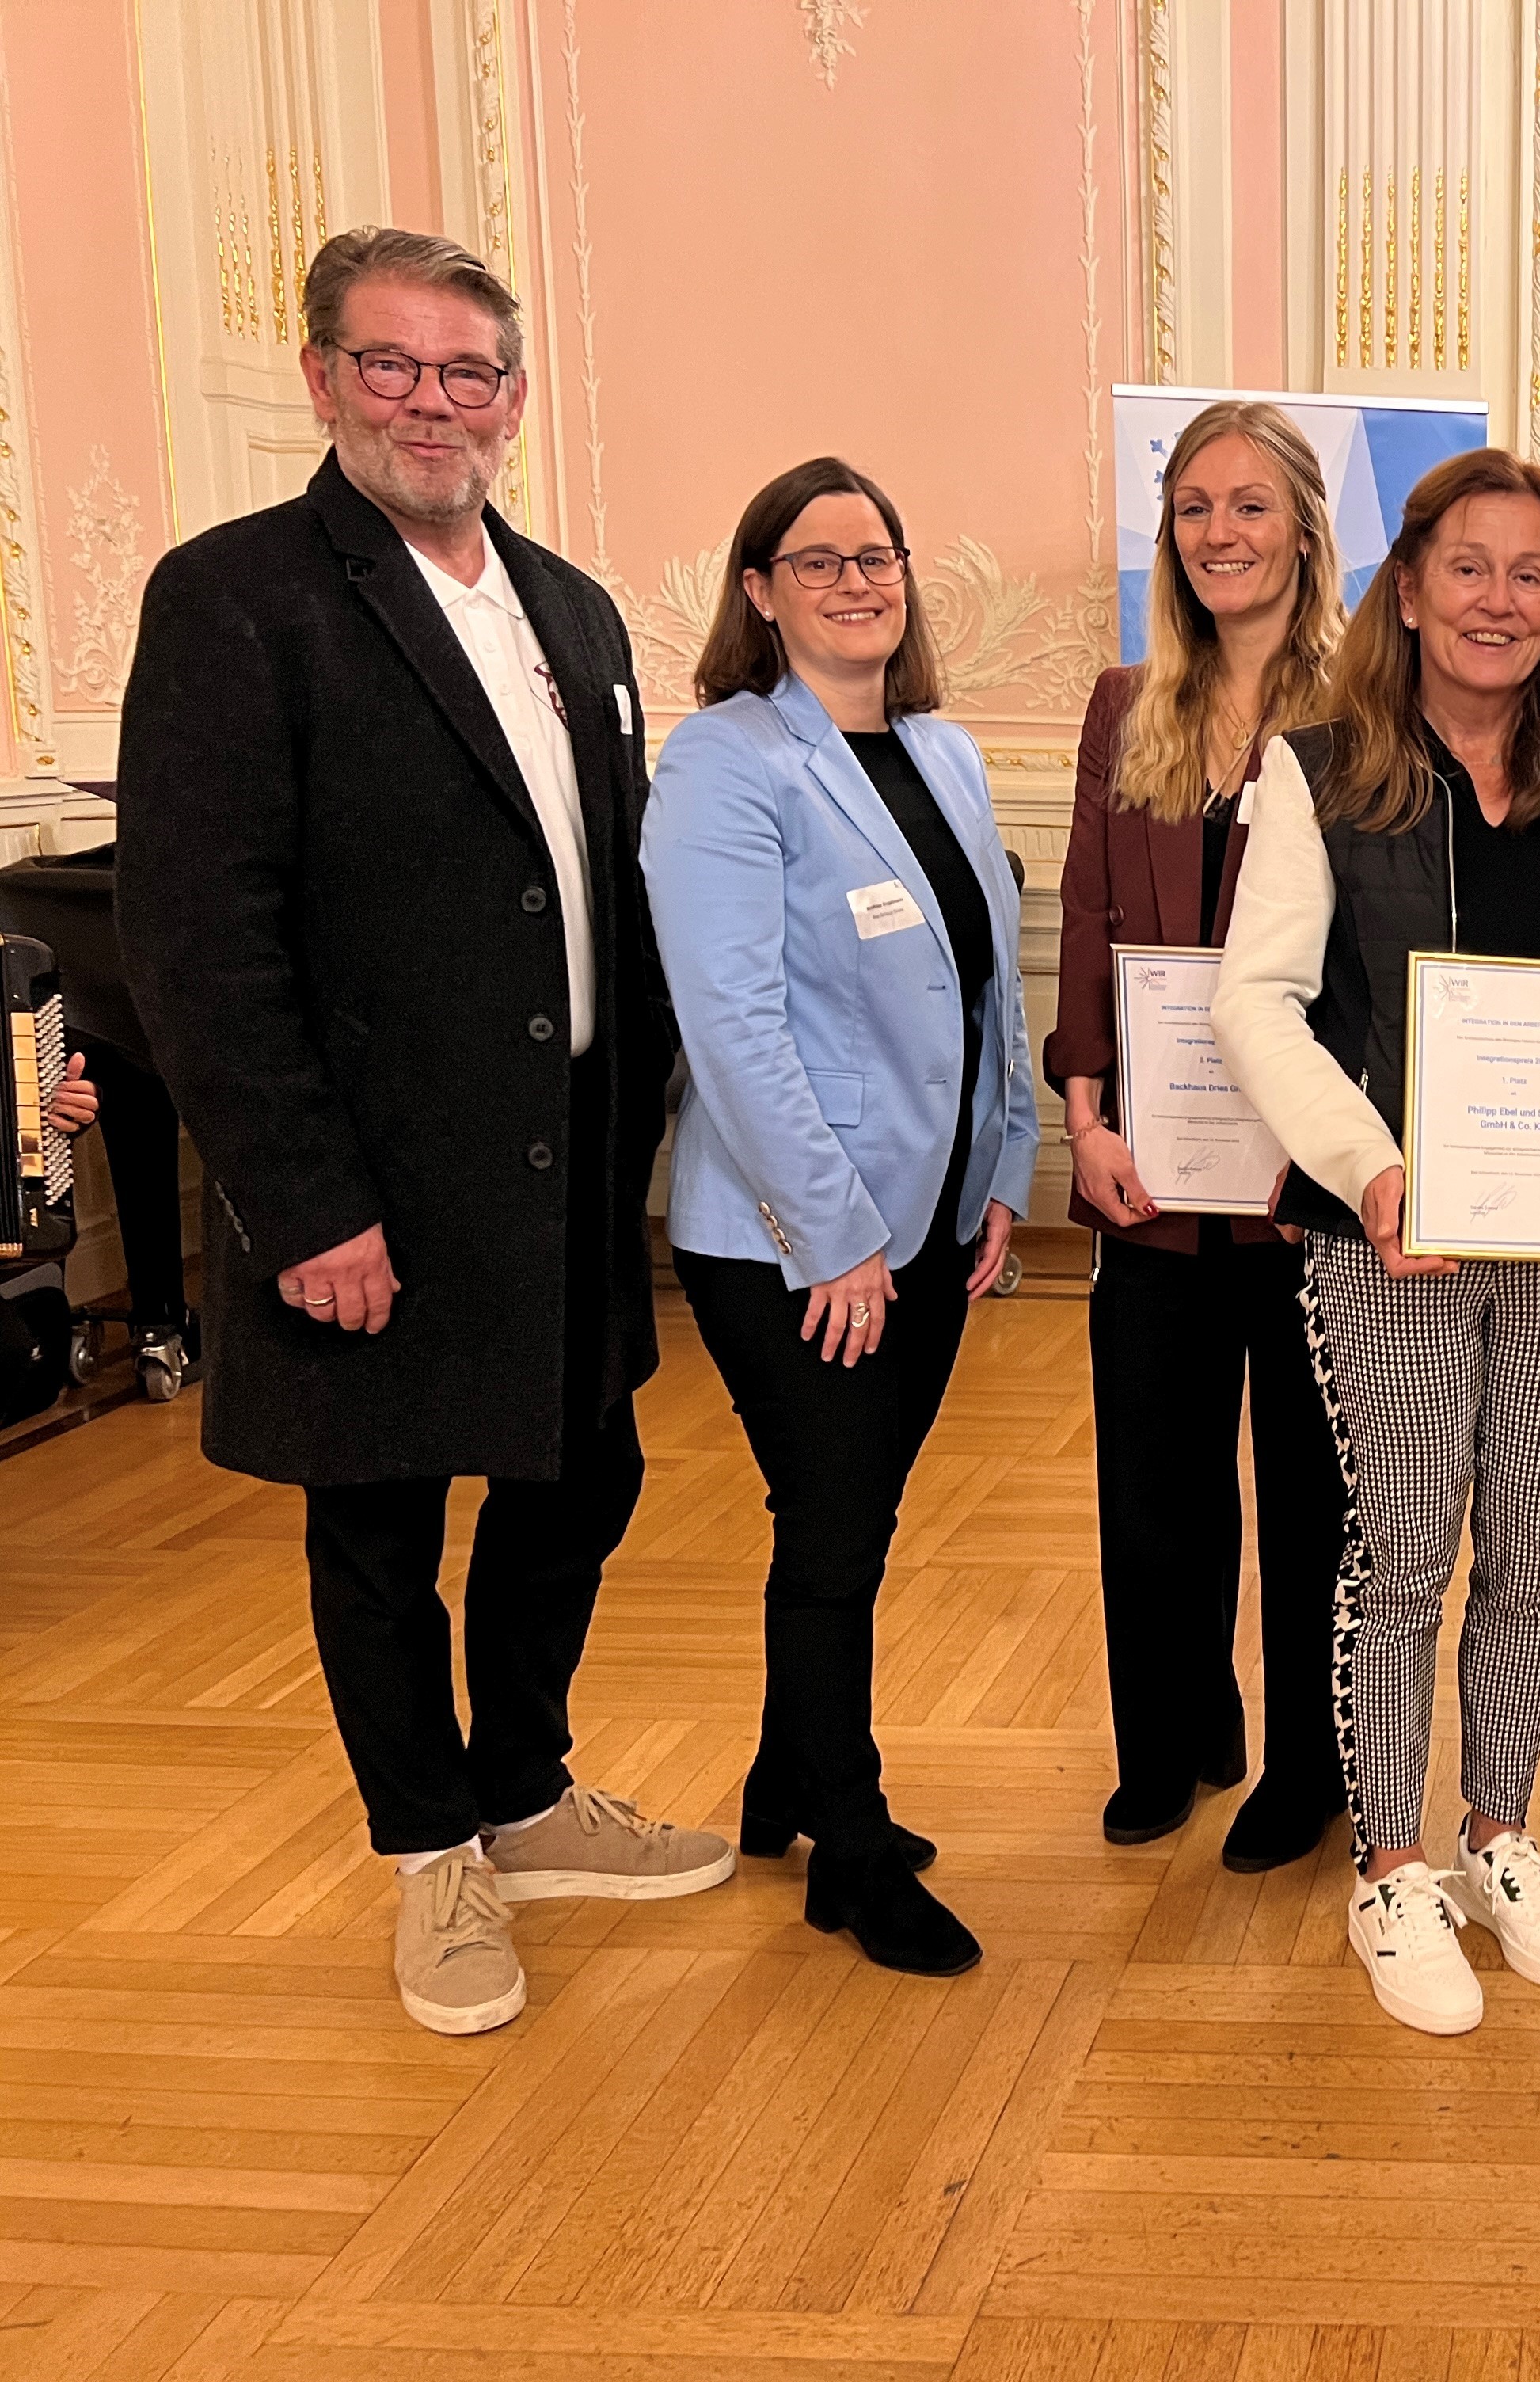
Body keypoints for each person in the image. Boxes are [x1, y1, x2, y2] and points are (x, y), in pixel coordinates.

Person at [115, 226, 731, 2039]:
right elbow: (196, 936)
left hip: (559, 1170)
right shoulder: (237, 597)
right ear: (322, 381)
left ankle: (524, 1797)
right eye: (391, 365)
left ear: (514, 402)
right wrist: (301, 1205)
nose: (431, 403)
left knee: (581, 1481)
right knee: (379, 1532)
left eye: (468, 373)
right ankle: (428, 1858)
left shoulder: (575, 610)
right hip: (372, 1186)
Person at [1214, 448, 1540, 2038]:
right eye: (1472, 567)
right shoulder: (1318, 771)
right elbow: (1256, 1001)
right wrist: (1367, 1170)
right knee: (1406, 1552)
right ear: (1413, 587)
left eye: (1532, 572)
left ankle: (1501, 1829)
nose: (1503, 599)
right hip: (1394, 1242)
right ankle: (1391, 1861)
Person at [644, 457, 1039, 1981]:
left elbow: (987, 985)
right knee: (831, 1537)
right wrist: (838, 1235)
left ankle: (778, 1777)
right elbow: (733, 1023)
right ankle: (851, 1846)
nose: (856, 581)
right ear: (760, 591)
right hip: (793, 1245)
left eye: (876, 555)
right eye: (817, 562)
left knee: (848, 1517)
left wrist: (1000, 1176)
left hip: (933, 1221)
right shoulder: (728, 763)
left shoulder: (936, 751)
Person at [1050, 401, 1349, 1869]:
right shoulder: (1129, 704)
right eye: (1191, 510)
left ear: (1302, 521)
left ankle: (1310, 1764)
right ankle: (1168, 1739)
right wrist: (1083, 1113)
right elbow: (1095, 920)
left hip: (1307, 1186)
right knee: (1154, 1478)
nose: (1219, 535)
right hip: (1153, 1180)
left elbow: (1377, 955)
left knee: (1312, 1489)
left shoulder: (1370, 709)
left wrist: (1350, 1148)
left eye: (1247, 506)